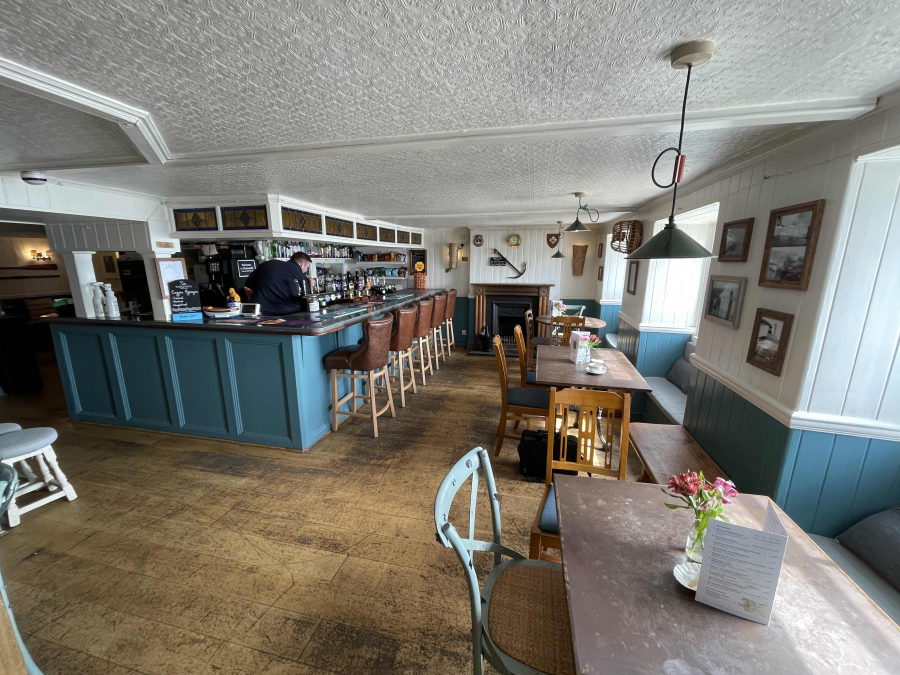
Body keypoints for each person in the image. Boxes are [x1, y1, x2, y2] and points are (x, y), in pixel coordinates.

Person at [243, 251, 311, 315]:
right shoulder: (300, 275)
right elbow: (306, 297)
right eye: (307, 267)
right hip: (286, 314)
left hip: (259, 311)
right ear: (302, 264)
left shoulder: (267, 264)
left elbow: (248, 283)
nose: (306, 270)